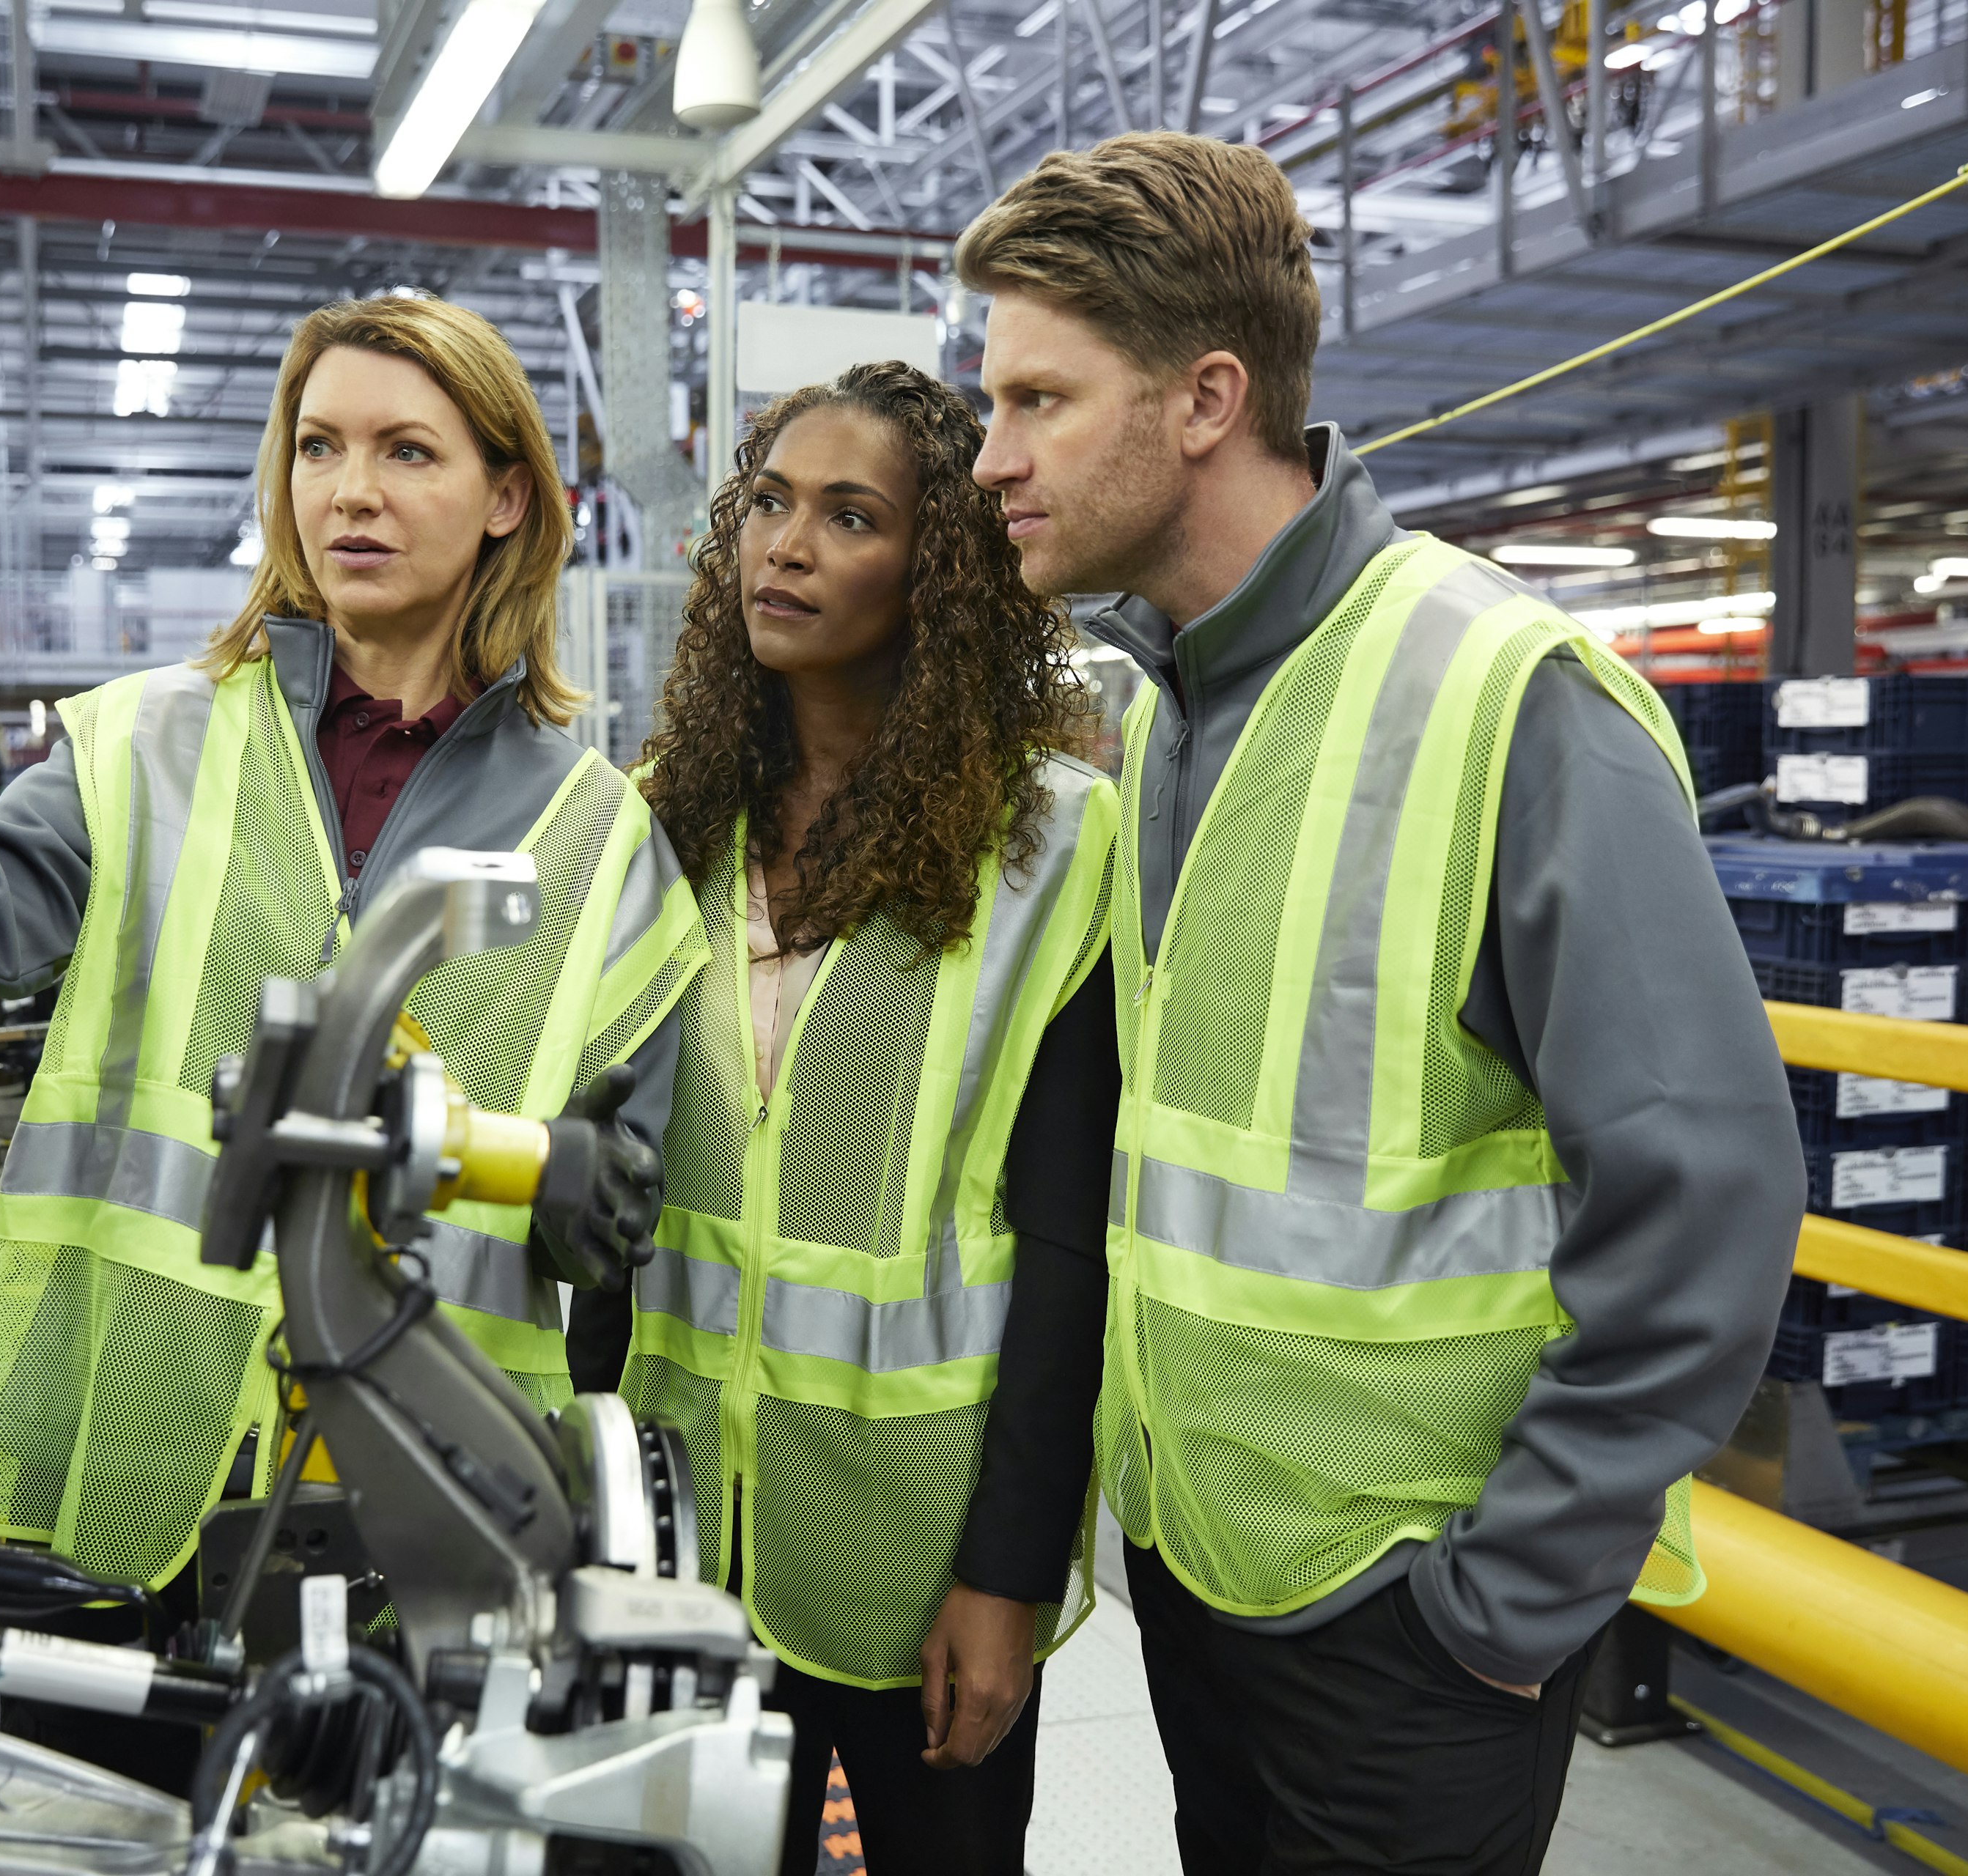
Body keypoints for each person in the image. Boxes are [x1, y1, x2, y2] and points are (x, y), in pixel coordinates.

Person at [0, 294, 701, 1608]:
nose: (350, 493)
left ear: (509, 498)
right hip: (107, 1474)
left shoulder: (605, 837)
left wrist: (580, 1183)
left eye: (407, 452)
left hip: (426, 1509)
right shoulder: (146, 741)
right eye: (318, 447)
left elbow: (623, 1203)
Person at [957, 133, 1805, 1873]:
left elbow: (1708, 1199)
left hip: (1413, 1638)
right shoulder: (1168, 715)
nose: (994, 460)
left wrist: (1499, 1606)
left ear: (1206, 397)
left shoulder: (1508, 696)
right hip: (1202, 1578)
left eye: (1039, 399)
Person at [566, 361, 1119, 1876]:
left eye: (849, 515)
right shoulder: (666, 819)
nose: (783, 546)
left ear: (937, 567)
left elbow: (1071, 1247)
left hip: (912, 1544)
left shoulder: (1051, 848)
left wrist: (1005, 1575)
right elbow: (611, 1195)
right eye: (768, 502)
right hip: (677, 1529)